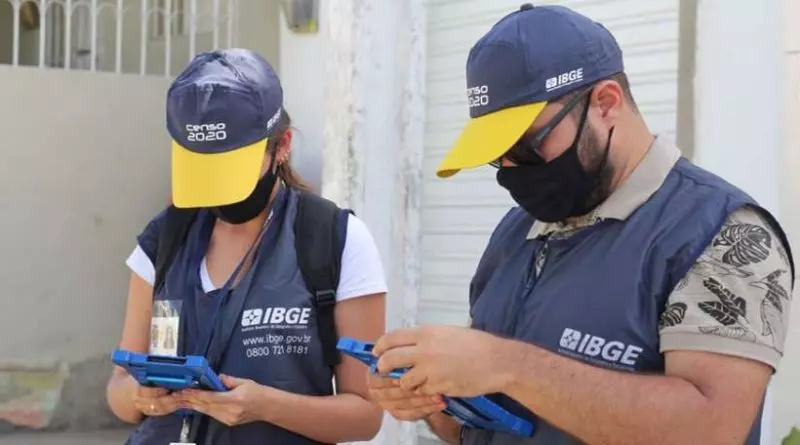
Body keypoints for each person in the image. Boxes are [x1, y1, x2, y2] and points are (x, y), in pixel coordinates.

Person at [367, 4, 795, 445]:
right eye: (497, 154)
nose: (512, 169)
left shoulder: (721, 234)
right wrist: (431, 398)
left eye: (526, 146)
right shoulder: (517, 232)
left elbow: (712, 430)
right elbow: (480, 427)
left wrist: (507, 365)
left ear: (605, 103)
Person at [106, 48, 387, 445]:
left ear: (282, 145)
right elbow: (119, 390)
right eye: (204, 167)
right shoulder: (165, 238)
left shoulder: (335, 239)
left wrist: (266, 406)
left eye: (230, 167)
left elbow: (366, 415)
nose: (218, 190)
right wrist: (142, 396)